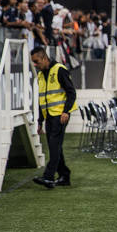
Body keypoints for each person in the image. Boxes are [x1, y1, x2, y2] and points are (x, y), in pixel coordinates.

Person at [31, 47, 78, 189]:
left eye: (36, 62)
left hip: (60, 115)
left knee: (54, 146)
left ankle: (48, 177)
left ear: (44, 58)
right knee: (56, 147)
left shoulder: (60, 70)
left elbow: (71, 92)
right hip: (49, 116)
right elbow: (41, 100)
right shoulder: (40, 75)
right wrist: (39, 121)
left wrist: (66, 112)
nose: (35, 65)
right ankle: (65, 175)